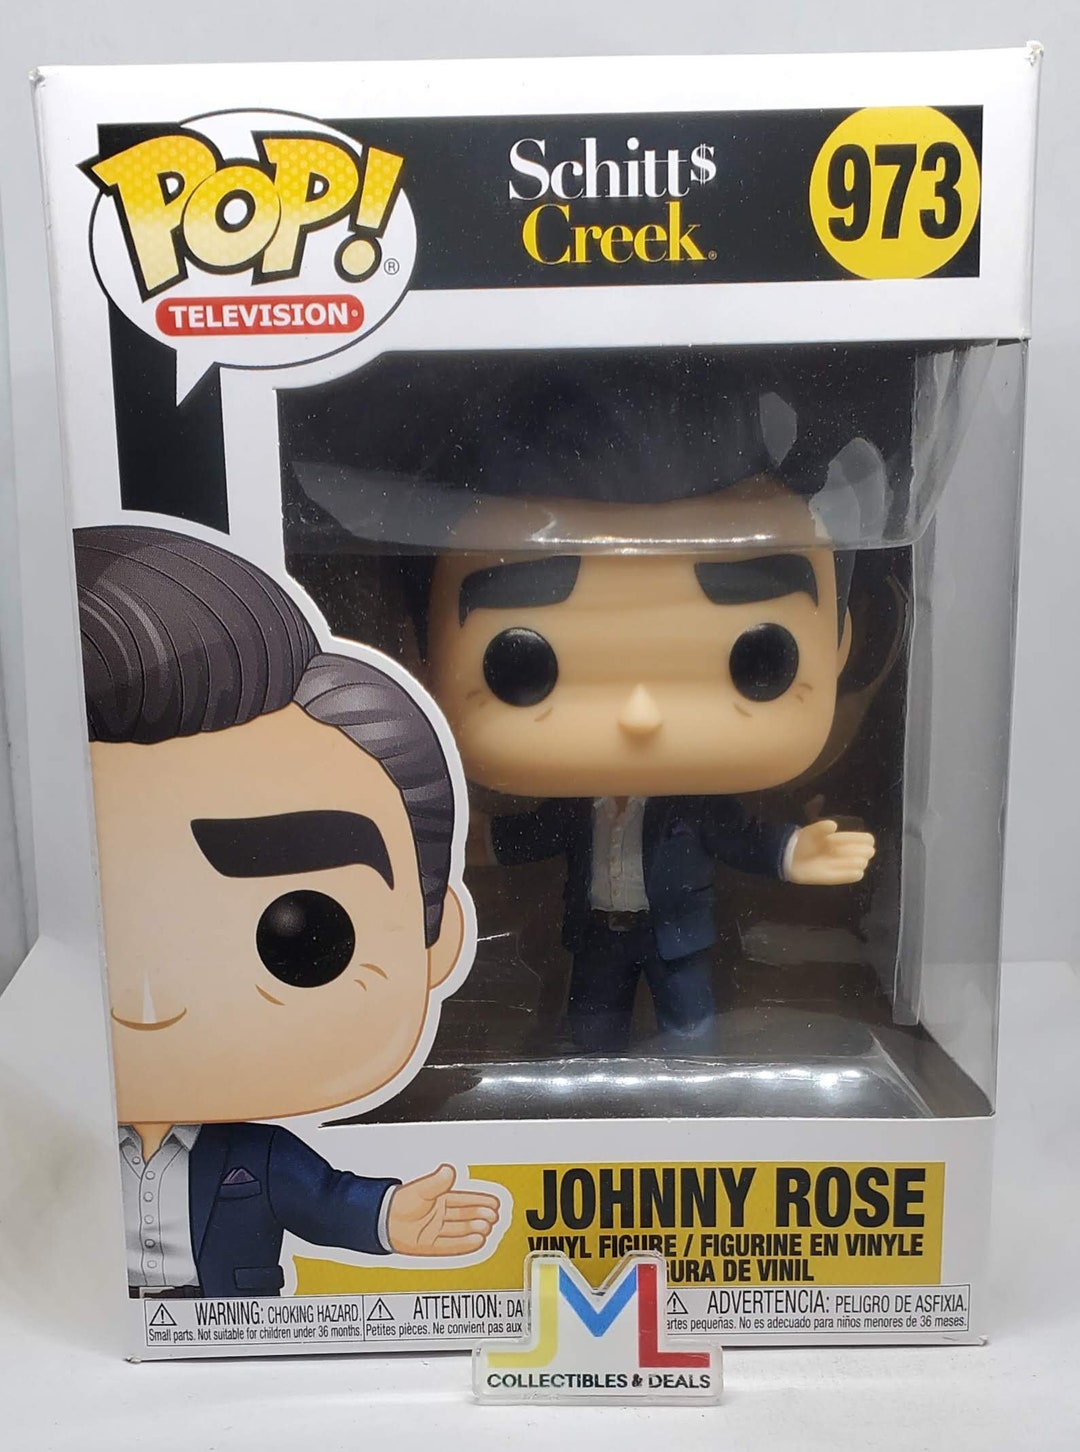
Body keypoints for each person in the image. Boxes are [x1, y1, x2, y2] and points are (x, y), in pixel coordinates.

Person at [77, 524, 499, 1298]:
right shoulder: (46, 1144)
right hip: (67, 1329)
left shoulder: (257, 1158)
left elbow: (326, 1199)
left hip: (233, 1329)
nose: (148, 1003)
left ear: (436, 938)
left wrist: (391, 1219)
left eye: (303, 936)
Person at [426, 477, 875, 1052]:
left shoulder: (692, 804)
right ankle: (594, 1085)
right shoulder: (577, 804)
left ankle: (689, 1091)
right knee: (592, 1030)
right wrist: (472, 843)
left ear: (838, 641)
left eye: (757, 660)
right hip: (598, 935)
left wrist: (794, 852)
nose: (640, 718)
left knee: (690, 1030)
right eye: (523, 665)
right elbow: (536, 834)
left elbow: (738, 837)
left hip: (676, 937)